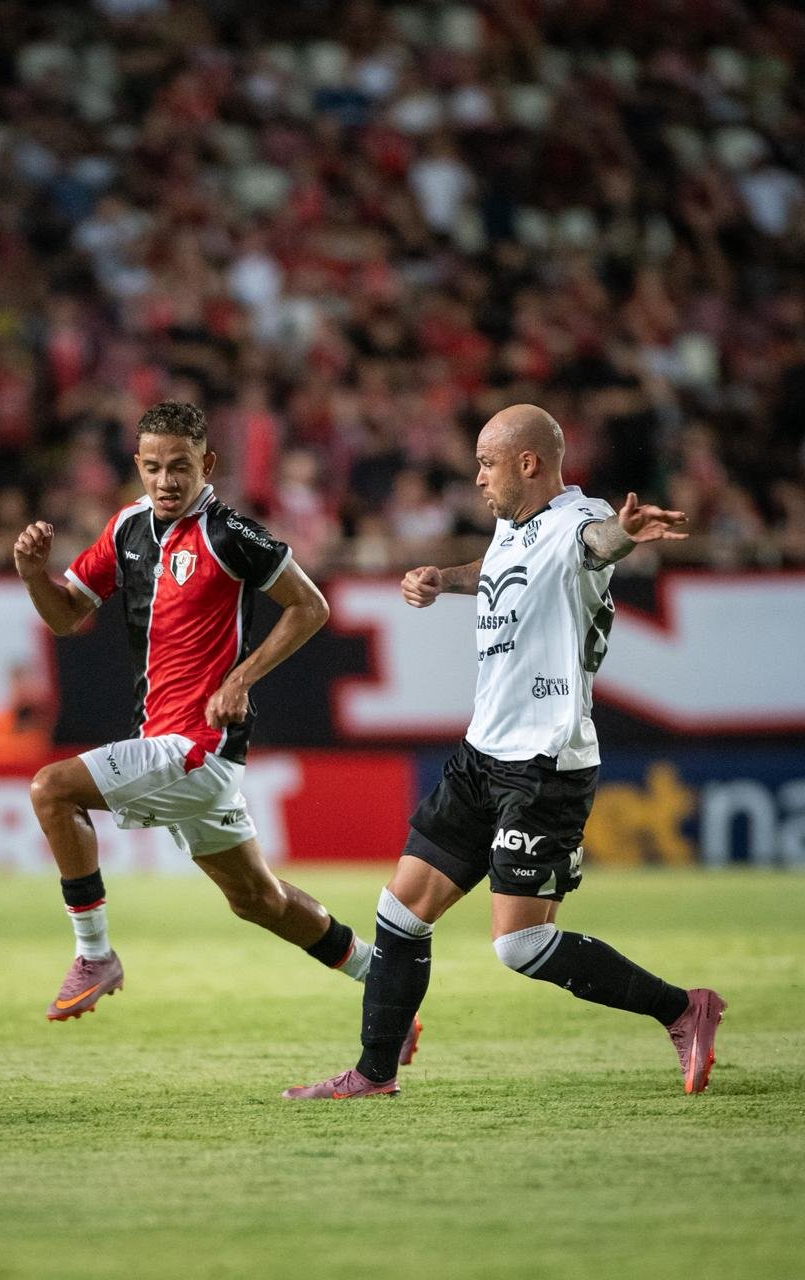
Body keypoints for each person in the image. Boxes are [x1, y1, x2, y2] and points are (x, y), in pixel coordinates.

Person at [283, 403, 726, 1100]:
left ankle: (682, 1008)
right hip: (481, 753)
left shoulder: (579, 520)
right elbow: (498, 566)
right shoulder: (515, 529)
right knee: (400, 913)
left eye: (488, 463)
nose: (478, 477)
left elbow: (597, 545)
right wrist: (441, 578)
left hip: (545, 762)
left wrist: (627, 534)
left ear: (530, 463)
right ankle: (373, 1075)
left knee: (519, 946)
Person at [13, 400, 420, 1064]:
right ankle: (387, 983)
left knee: (51, 790)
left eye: (179, 467)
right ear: (137, 468)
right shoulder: (125, 531)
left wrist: (241, 679)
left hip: (198, 747)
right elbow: (64, 617)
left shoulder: (230, 532)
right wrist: (34, 574)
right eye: (152, 467)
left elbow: (310, 606)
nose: (166, 481)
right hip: (179, 749)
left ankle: (95, 956)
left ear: (207, 464)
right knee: (257, 900)